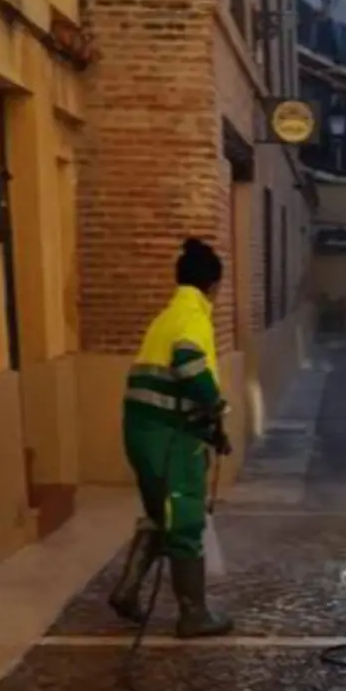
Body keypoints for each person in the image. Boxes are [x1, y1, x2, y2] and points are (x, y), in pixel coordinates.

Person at [107, 237, 235, 639]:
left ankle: (128, 590)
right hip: (170, 439)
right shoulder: (193, 318)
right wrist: (215, 406)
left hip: (144, 434)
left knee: (161, 513)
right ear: (212, 286)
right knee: (184, 518)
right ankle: (193, 614)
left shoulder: (165, 317)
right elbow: (188, 362)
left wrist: (212, 429)